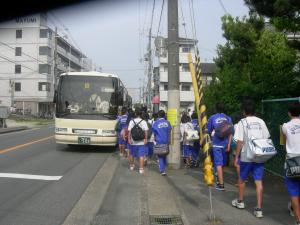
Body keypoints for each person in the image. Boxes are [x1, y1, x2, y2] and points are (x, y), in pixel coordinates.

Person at [232, 99, 270, 218]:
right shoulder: (261, 122)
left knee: (242, 179)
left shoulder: (241, 123)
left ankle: (241, 201)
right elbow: (266, 137)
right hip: (259, 156)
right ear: (254, 111)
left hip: (246, 156)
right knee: (258, 182)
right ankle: (258, 208)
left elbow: (239, 141)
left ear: (243, 111)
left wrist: (236, 157)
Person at [207, 102, 233, 191]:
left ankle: (221, 184)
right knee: (222, 164)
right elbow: (230, 133)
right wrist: (229, 145)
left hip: (216, 144)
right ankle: (220, 178)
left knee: (218, 163)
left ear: (216, 109)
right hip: (226, 145)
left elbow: (209, 130)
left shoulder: (212, 117)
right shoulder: (228, 118)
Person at [282, 102, 300, 224]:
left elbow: (284, 144)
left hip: (292, 162)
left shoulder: (285, 126)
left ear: (289, 113)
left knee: (293, 191)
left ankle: (298, 220)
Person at [128, 108, 148, 174]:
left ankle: (131, 166)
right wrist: (146, 139)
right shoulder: (143, 121)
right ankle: (141, 169)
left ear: (135, 114)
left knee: (131, 154)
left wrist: (129, 139)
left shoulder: (131, 121)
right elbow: (146, 131)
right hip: (141, 141)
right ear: (141, 114)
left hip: (133, 141)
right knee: (141, 155)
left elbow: (129, 131)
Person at [152, 110, 172, 175]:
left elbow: (154, 132)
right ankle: (163, 167)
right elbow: (169, 131)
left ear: (158, 115)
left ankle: (162, 170)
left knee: (160, 155)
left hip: (159, 140)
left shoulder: (156, 123)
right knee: (164, 154)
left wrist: (155, 138)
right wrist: (169, 139)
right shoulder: (168, 122)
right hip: (166, 140)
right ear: (164, 115)